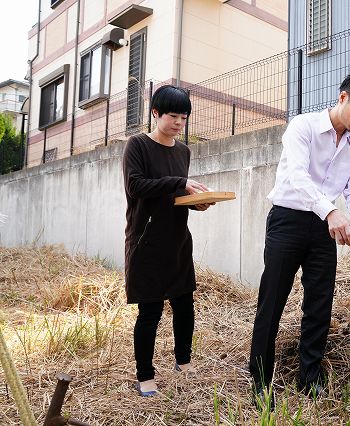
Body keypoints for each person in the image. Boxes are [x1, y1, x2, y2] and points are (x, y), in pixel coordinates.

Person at [249, 67, 350, 407]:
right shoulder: (303, 127)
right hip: (288, 220)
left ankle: (309, 378)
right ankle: (260, 379)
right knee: (272, 300)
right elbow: (296, 176)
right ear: (343, 98)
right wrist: (331, 211)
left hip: (324, 227)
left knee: (320, 304)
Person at [122, 85, 212, 397]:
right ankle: (145, 375)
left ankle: (183, 362)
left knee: (185, 304)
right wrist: (180, 183)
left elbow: (174, 196)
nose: (178, 123)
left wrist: (196, 202)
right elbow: (136, 187)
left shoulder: (183, 152)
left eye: (184, 118)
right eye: (173, 116)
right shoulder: (137, 146)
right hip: (146, 241)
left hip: (177, 240)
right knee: (150, 312)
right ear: (156, 113)